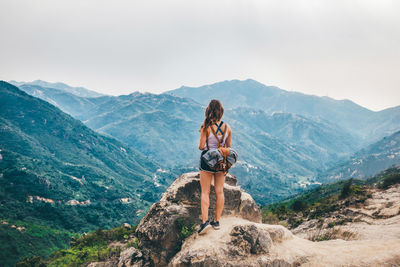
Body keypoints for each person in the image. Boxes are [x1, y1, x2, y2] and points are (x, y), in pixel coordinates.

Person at [197, 99, 232, 235]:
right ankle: (216, 221)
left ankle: (205, 222)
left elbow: (201, 146)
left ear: (208, 111)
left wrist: (208, 146)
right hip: (221, 161)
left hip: (207, 160)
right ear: (221, 112)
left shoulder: (206, 127)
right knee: (219, 191)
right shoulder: (227, 127)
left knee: (205, 192)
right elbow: (228, 147)